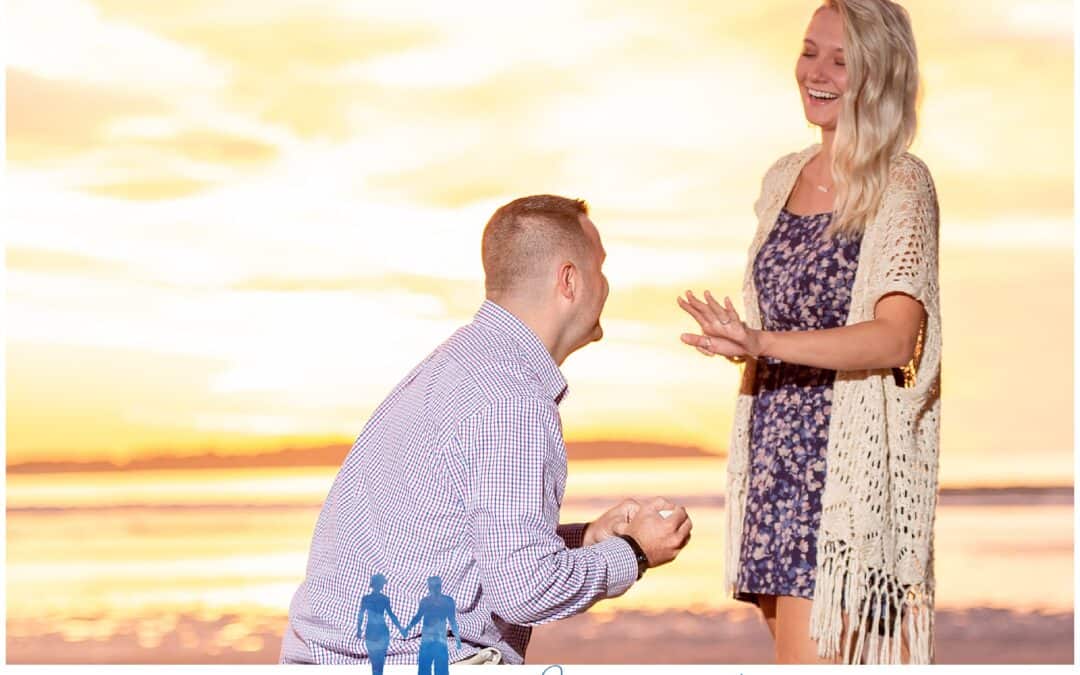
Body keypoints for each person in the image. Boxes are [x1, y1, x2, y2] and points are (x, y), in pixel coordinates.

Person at [280, 194, 692, 665]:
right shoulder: (512, 398)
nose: (606, 285)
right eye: (600, 268)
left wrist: (588, 540)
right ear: (569, 280)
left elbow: (469, 547)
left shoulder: (459, 367)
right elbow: (524, 590)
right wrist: (636, 552)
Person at [677, 0, 940, 665]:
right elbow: (779, 320)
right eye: (809, 51)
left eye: (841, 60)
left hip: (843, 479)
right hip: (773, 471)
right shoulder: (780, 178)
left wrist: (762, 343)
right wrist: (742, 341)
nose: (815, 72)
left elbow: (892, 338)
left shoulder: (900, 184)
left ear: (877, 75)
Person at [401, 576, 461, 675]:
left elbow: (452, 621)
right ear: (429, 587)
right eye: (432, 586)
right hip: (426, 640)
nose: (434, 589)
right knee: (424, 669)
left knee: (441, 669)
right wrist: (407, 629)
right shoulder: (425, 601)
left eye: (437, 586)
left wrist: (458, 640)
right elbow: (418, 617)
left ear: (440, 586)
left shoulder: (448, 601)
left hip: (440, 640)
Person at [357, 574, 402, 675]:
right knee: (375, 662)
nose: (381, 586)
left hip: (380, 632)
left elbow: (391, 615)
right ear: (375, 584)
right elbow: (361, 614)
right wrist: (359, 629)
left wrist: (400, 628)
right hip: (373, 632)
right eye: (381, 583)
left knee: (379, 662)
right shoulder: (367, 599)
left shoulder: (384, 599)